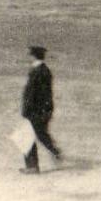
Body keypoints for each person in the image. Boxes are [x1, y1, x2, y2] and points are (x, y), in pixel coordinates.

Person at [21, 46, 62, 174]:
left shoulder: (37, 71)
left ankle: (32, 166)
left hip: (36, 110)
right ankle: (54, 152)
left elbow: (33, 93)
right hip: (43, 109)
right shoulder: (44, 70)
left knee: (27, 135)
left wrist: (27, 109)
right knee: (40, 133)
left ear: (33, 56)